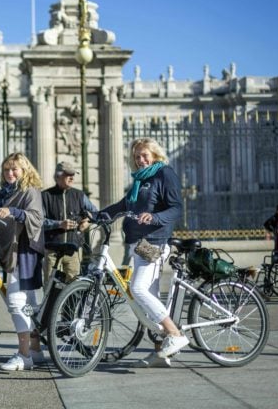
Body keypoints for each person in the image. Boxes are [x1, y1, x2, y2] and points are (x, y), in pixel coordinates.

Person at [101, 137, 186, 368]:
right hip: (138, 243)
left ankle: (174, 334)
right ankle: (160, 353)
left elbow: (177, 207)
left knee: (137, 289)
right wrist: (97, 215)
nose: (140, 160)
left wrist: (155, 217)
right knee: (150, 300)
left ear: (155, 155)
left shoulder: (164, 174)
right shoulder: (139, 181)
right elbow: (123, 205)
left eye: (144, 155)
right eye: (137, 156)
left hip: (154, 241)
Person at [0, 152, 45, 371]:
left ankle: (24, 356)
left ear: (24, 171)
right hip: (9, 249)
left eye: (14, 169)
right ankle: (36, 349)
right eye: (6, 170)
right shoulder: (2, 193)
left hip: (24, 250)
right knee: (29, 302)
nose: (10, 173)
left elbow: (35, 217)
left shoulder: (30, 191)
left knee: (15, 302)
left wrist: (12, 211)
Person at [42, 162, 98, 283]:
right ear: (57, 177)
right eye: (68, 175)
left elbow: (95, 213)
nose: (72, 177)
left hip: (72, 250)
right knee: (50, 288)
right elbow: (38, 222)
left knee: (73, 287)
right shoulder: (45, 196)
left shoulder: (79, 195)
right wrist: (59, 224)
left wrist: (87, 222)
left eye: (73, 174)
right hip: (52, 250)